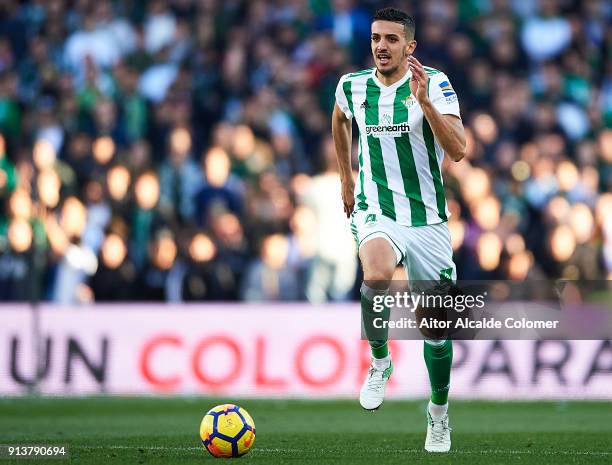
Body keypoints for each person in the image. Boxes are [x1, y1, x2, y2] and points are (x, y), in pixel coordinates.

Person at [331, 7, 466, 453]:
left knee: (436, 331)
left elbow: (459, 150)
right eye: (375, 38)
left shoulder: (436, 83)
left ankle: (439, 414)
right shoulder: (352, 85)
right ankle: (380, 361)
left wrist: (425, 102)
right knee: (375, 274)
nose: (380, 46)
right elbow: (339, 119)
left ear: (410, 47)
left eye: (391, 39)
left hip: (426, 218)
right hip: (376, 208)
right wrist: (347, 178)